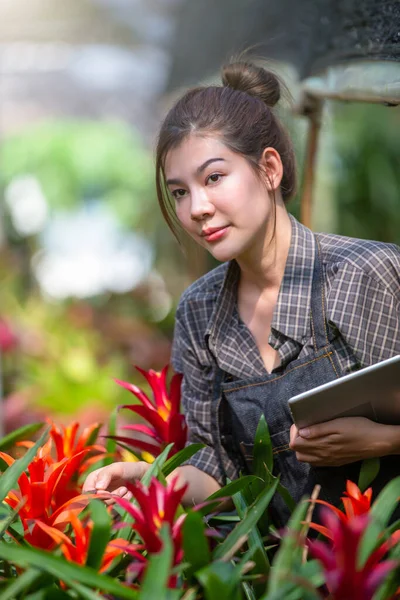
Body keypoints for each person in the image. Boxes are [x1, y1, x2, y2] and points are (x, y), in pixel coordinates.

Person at [83, 61, 400, 525]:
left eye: (213, 177)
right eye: (179, 192)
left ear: (268, 168)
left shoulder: (362, 273)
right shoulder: (200, 310)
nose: (197, 209)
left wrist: (385, 442)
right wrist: (148, 478)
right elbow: (220, 475)